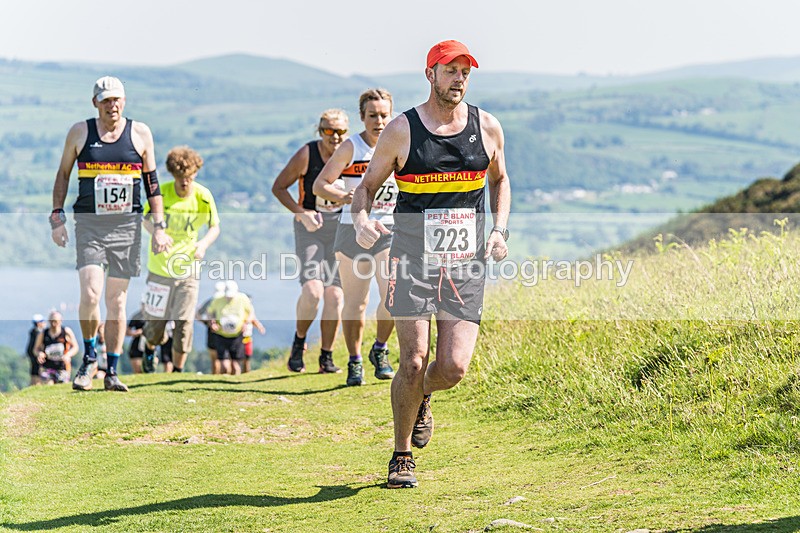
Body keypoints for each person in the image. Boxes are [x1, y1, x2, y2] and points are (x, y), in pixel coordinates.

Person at [350, 41, 511, 488]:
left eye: (465, 71)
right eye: (450, 70)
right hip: (411, 259)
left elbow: (501, 181)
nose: (459, 78)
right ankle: (401, 456)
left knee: (454, 368)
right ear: (430, 75)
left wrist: (499, 229)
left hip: (465, 264)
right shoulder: (402, 130)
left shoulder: (488, 126)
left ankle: (421, 398)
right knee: (414, 359)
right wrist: (361, 219)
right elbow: (365, 188)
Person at [50, 75, 172, 392]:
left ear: (124, 101)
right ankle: (90, 357)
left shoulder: (141, 133)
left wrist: (159, 227)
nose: (112, 105)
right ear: (95, 103)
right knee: (91, 293)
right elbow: (63, 173)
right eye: (106, 100)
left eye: (116, 99)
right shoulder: (80, 132)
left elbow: (153, 184)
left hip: (127, 228)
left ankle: (113, 370)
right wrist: (57, 216)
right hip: (90, 225)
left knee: (116, 301)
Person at [313, 90, 397, 386]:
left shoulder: (401, 142)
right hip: (352, 231)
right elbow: (319, 185)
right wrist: (345, 195)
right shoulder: (352, 147)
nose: (379, 121)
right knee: (356, 302)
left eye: (384, 115)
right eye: (372, 115)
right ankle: (355, 360)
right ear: (362, 117)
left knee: (393, 295)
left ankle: (380, 349)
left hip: (389, 229)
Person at [272, 109, 348, 374]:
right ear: (320, 131)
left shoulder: (351, 155)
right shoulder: (308, 154)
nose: (335, 137)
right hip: (311, 230)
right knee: (313, 291)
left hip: (340, 231)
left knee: (335, 296)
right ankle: (299, 341)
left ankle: (326, 357)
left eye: (340, 131)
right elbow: (278, 186)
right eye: (329, 131)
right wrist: (300, 213)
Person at [140, 145, 220, 374]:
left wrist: (203, 244)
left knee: (184, 322)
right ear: (173, 175)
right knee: (156, 325)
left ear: (195, 173)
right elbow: (145, 219)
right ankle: (149, 347)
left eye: (189, 177)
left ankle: (176, 370)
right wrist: (157, 232)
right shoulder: (161, 194)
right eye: (180, 177)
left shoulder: (203, 197)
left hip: (188, 270)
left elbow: (214, 227)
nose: (185, 182)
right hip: (159, 268)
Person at [206, 281, 254, 375]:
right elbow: (210, 312)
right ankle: (224, 384)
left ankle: (235, 384)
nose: (229, 298)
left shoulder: (242, 298)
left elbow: (251, 313)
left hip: (237, 335)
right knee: (224, 365)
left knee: (235, 365)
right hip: (221, 335)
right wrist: (212, 322)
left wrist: (246, 323)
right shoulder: (217, 299)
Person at [34, 311, 79, 385]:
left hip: (63, 367)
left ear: (61, 321)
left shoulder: (66, 332)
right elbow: (35, 349)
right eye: (51, 321)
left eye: (55, 321)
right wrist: (39, 353)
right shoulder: (43, 334)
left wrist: (68, 355)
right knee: (48, 386)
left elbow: (75, 347)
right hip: (47, 367)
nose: (53, 324)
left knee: (61, 387)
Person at [197, 281, 225, 374]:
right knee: (221, 358)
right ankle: (218, 378)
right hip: (221, 332)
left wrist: (207, 323)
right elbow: (197, 315)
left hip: (215, 331)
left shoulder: (209, 301)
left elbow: (198, 315)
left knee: (218, 359)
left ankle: (218, 378)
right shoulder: (226, 301)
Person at [241, 304, 265, 373]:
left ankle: (246, 373)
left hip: (247, 338)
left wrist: (260, 327)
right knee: (236, 359)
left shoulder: (250, 313)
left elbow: (254, 320)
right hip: (238, 338)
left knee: (247, 358)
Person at [25, 314, 46, 386]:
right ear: (39, 323)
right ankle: (37, 384)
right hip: (37, 355)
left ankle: (34, 384)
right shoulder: (39, 333)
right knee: (37, 371)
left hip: (32, 354)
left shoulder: (32, 331)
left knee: (34, 371)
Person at [126, 307, 146, 373]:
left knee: (149, 369)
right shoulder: (137, 316)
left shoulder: (154, 315)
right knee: (138, 370)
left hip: (150, 343)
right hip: (137, 344)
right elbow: (127, 331)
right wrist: (137, 332)